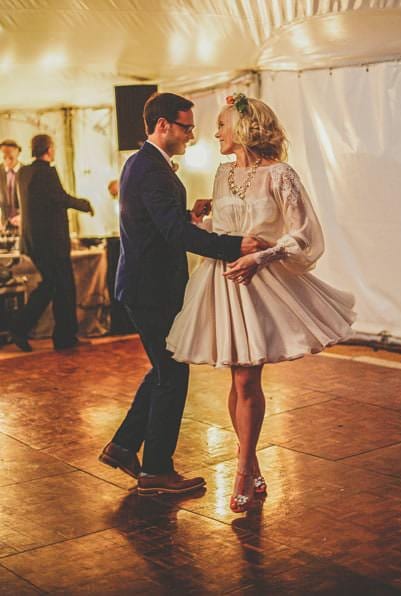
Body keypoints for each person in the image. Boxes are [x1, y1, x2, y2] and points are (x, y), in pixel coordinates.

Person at [165, 93, 356, 513]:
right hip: (221, 282)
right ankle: (251, 466)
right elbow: (224, 228)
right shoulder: (222, 173)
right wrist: (200, 222)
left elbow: (303, 233)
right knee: (237, 380)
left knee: (247, 382)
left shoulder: (280, 174)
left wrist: (261, 257)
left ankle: (241, 470)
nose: (215, 133)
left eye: (221, 125)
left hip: (259, 282)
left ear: (243, 128)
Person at [99, 92, 271, 497]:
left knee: (164, 369)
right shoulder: (152, 169)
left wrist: (189, 215)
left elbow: (161, 222)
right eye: (187, 127)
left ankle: (123, 445)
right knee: (172, 374)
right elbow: (174, 234)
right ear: (164, 126)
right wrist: (234, 246)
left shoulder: (143, 163)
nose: (192, 135)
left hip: (145, 286)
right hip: (150, 290)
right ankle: (156, 470)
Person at [9, 134, 94, 352]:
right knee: (62, 287)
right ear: (48, 149)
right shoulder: (46, 172)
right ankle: (58, 335)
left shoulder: (24, 172)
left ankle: (50, 333)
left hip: (33, 242)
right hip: (51, 244)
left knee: (52, 285)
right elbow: (60, 198)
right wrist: (84, 204)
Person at [1, 138, 23, 231]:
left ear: (17, 153)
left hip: (22, 223)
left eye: (11, 157)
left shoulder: (26, 172)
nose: (8, 161)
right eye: (4, 157)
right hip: (3, 225)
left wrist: (22, 216)